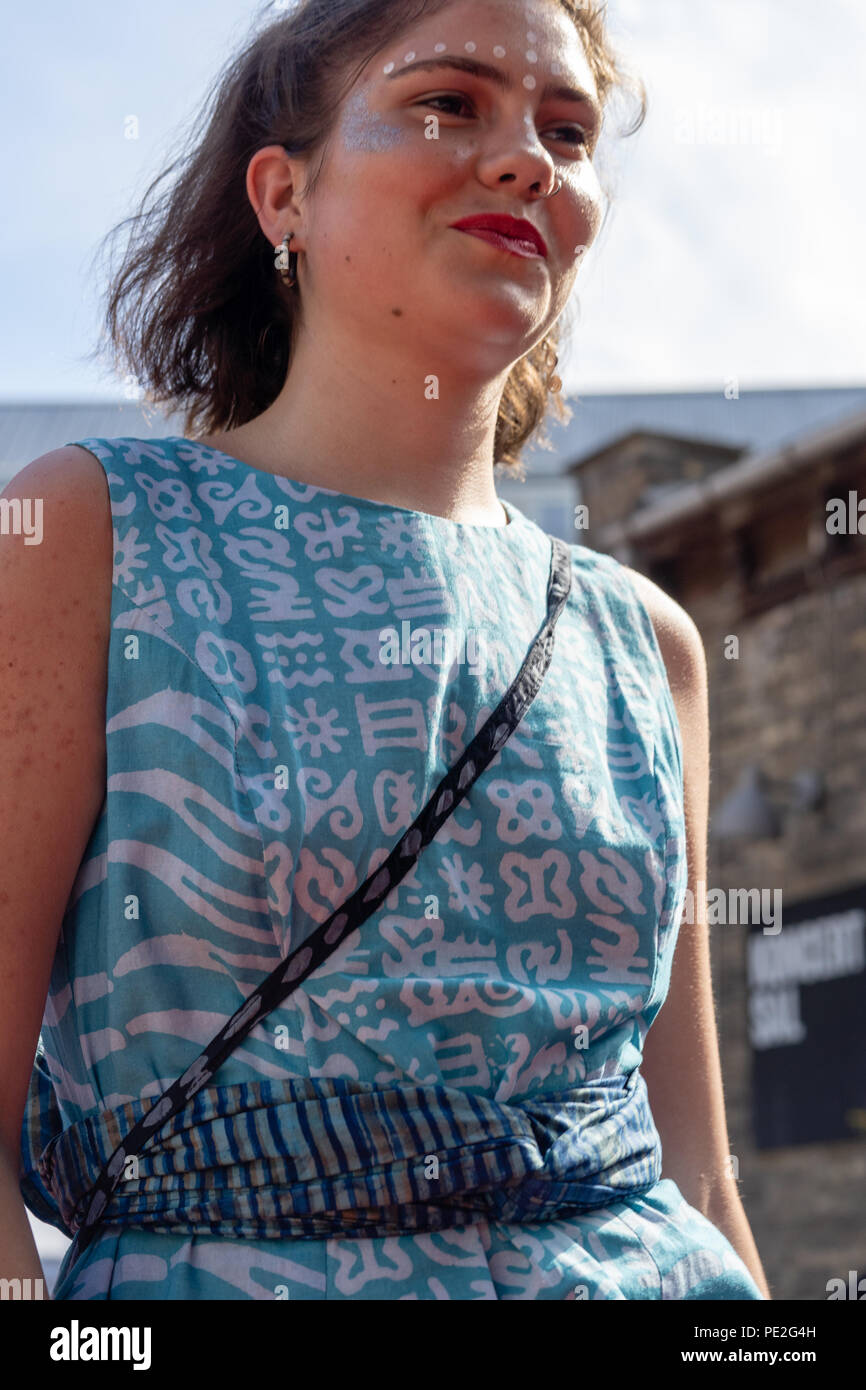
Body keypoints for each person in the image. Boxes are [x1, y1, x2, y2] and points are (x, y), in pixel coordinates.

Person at [1, 0, 771, 1299]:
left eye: (567, 129)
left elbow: (692, 1172)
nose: (527, 156)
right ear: (282, 192)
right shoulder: (86, 533)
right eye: (449, 102)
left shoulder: (646, 642)